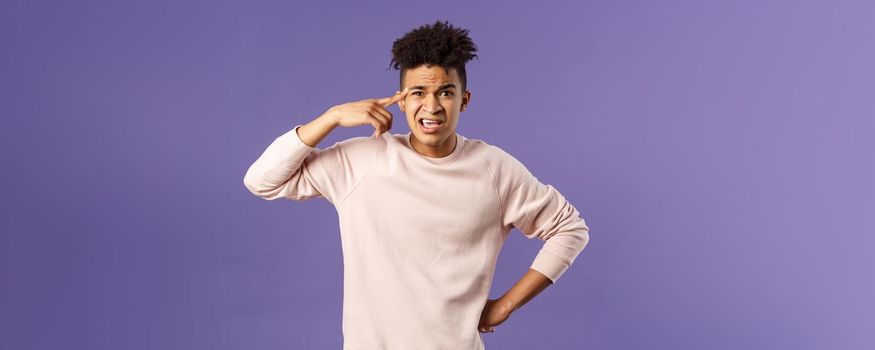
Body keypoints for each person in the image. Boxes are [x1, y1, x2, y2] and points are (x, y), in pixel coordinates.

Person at [243, 20, 590, 350]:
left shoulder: (494, 169)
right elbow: (261, 181)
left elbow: (569, 228)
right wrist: (331, 117)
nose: (432, 106)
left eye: (446, 92)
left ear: (464, 100)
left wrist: (506, 305)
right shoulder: (363, 161)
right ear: (402, 99)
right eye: (418, 92)